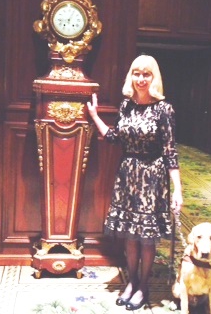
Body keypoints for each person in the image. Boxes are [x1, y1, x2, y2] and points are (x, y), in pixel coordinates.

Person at [87, 54, 183, 311]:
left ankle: (143, 285)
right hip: (128, 175)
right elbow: (116, 137)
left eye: (146, 74)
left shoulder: (164, 109)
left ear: (154, 77)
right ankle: (131, 281)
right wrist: (95, 116)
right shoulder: (126, 106)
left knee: (146, 236)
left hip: (152, 178)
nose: (140, 79)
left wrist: (178, 190)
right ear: (131, 76)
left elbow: (171, 151)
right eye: (136, 73)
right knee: (130, 233)